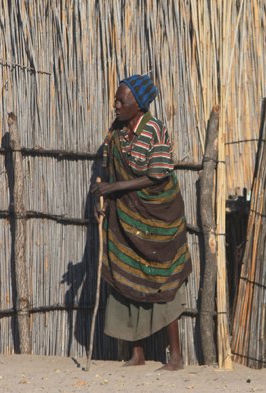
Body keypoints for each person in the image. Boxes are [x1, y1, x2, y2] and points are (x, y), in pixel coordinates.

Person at [90, 74, 192, 371]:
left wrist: (113, 190)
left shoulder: (154, 130)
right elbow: (112, 170)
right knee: (125, 281)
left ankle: (175, 356)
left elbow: (157, 175)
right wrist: (106, 201)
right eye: (116, 100)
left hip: (159, 219)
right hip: (125, 218)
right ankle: (137, 354)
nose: (116, 105)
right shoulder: (117, 133)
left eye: (122, 101)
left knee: (163, 283)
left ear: (139, 104)